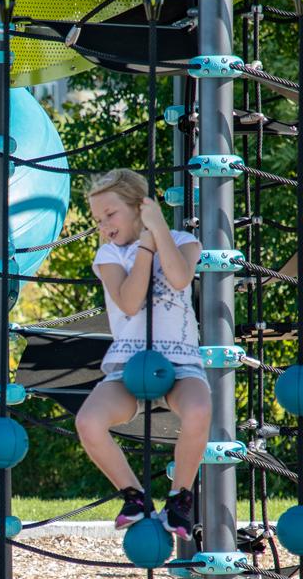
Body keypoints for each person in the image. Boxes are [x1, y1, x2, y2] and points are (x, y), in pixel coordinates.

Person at [75, 168, 211, 538]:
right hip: (128, 367)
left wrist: (158, 233)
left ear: (140, 208)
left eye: (110, 214)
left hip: (180, 363)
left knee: (200, 410)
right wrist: (146, 250)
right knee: (88, 422)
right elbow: (131, 302)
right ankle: (135, 496)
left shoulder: (184, 241)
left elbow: (181, 277)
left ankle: (179, 497)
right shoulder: (110, 255)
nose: (104, 225)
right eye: (98, 219)